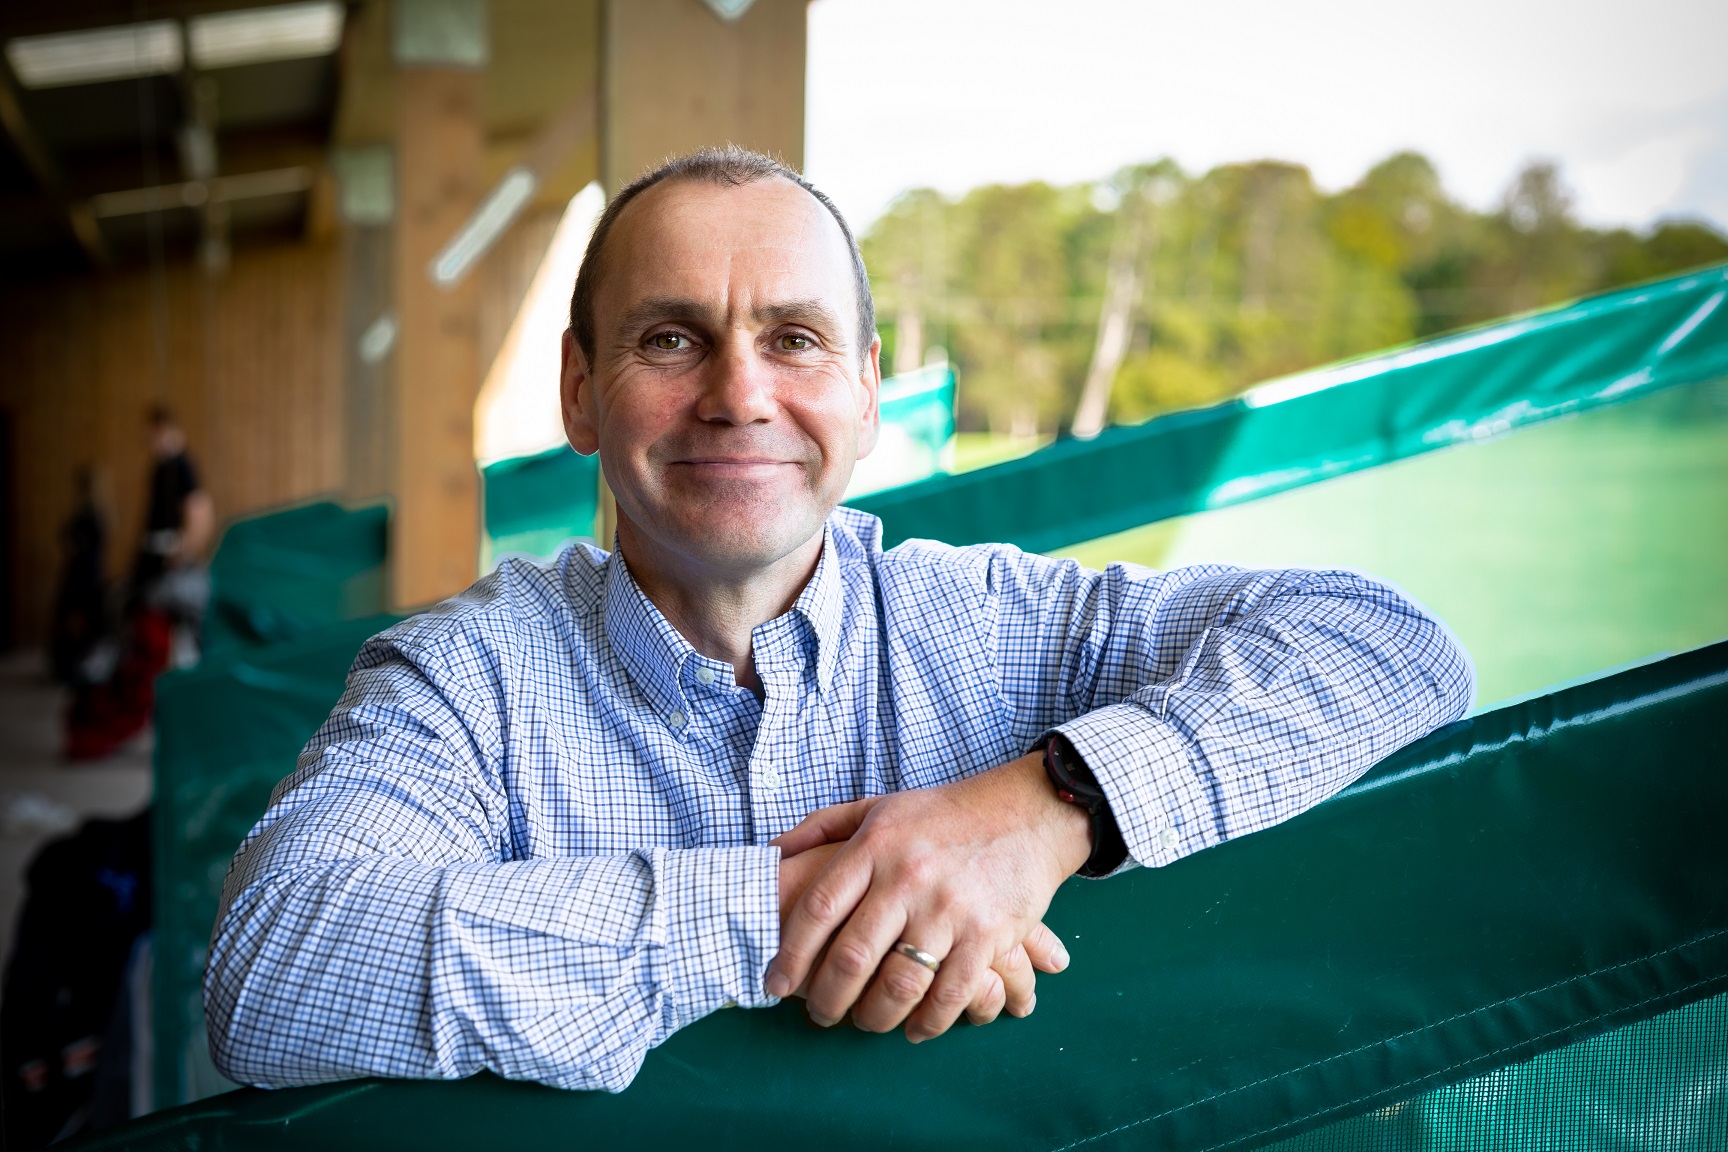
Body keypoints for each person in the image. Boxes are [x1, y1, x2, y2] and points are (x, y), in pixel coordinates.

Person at [206, 148, 1472, 1093]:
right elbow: (274, 977)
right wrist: (806, 909)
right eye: (670, 339)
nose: (739, 394)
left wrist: (1044, 810)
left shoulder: (993, 621)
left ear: (867, 397)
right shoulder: (461, 678)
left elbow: (1393, 645)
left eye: (796, 340)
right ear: (583, 395)